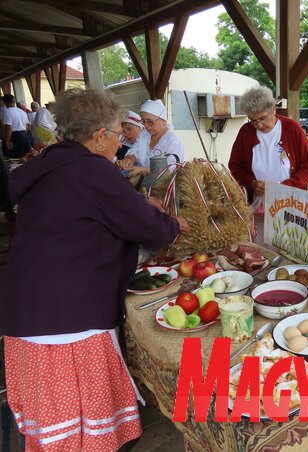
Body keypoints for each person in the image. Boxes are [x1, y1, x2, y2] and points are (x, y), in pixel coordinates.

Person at [0, 88, 190, 450]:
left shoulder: (51, 164)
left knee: (53, 427)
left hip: (26, 307)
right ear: (99, 136)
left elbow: (87, 207)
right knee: (79, 433)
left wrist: (136, 202)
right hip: (65, 317)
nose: (120, 142)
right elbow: (145, 228)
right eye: (118, 134)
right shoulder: (91, 171)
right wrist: (171, 223)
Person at [228, 85, 308, 243]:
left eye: (262, 118)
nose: (259, 125)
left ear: (273, 110)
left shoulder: (292, 128)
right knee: (261, 244)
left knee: (289, 244)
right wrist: (252, 183)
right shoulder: (246, 132)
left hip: (291, 202)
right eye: (253, 120)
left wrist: (286, 186)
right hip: (259, 205)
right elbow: (235, 166)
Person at [116, 99, 184, 180]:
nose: (146, 125)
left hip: (163, 186)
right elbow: (134, 151)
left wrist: (143, 170)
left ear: (163, 121)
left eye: (150, 121)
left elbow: (170, 169)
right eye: (143, 121)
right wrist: (129, 159)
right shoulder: (144, 134)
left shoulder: (173, 140)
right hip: (144, 183)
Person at [2, 94, 32, 158]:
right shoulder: (22, 112)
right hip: (25, 136)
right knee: (27, 158)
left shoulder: (7, 112)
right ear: (14, 101)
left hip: (16, 137)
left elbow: (9, 128)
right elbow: (28, 127)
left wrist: (6, 141)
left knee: (16, 158)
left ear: (4, 102)